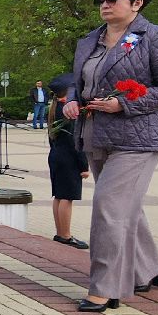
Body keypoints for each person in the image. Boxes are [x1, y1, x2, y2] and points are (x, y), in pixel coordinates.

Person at [63, 0, 158, 312]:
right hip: (95, 133)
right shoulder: (89, 40)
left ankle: (106, 287)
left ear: (137, 3)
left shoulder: (156, 37)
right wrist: (72, 100)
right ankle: (147, 271)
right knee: (121, 206)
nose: (105, 4)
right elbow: (80, 84)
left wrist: (124, 104)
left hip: (137, 136)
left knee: (109, 208)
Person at [46, 75, 90, 249]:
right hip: (68, 158)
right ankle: (65, 235)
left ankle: (60, 232)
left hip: (56, 155)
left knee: (59, 195)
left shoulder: (55, 108)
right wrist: (84, 165)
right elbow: (76, 141)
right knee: (67, 197)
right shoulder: (69, 111)